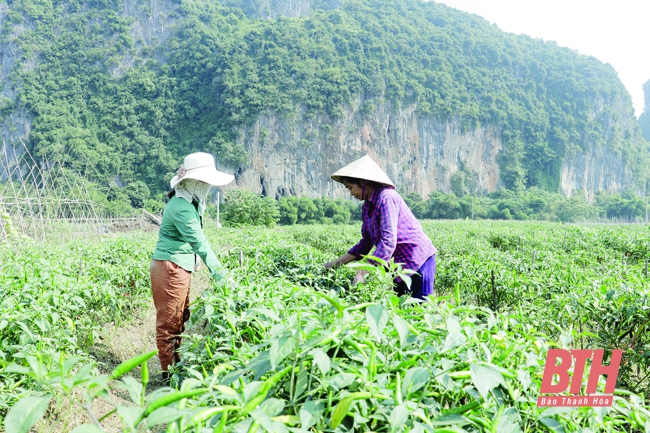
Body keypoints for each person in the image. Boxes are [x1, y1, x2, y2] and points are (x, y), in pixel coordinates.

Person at [150, 152, 233, 378]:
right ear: (193, 182)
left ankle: (175, 365)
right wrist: (222, 276)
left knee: (179, 317)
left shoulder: (191, 202)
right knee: (169, 323)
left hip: (178, 266)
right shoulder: (181, 207)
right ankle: (168, 373)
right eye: (204, 183)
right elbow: (200, 242)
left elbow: (199, 228)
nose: (208, 187)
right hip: (170, 267)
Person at [324, 155, 437, 299]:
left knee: (420, 311)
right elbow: (365, 244)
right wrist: (335, 264)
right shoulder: (367, 207)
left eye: (351, 188)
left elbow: (388, 242)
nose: (351, 193)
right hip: (399, 267)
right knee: (404, 309)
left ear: (363, 182)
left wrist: (363, 272)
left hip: (417, 260)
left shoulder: (386, 198)